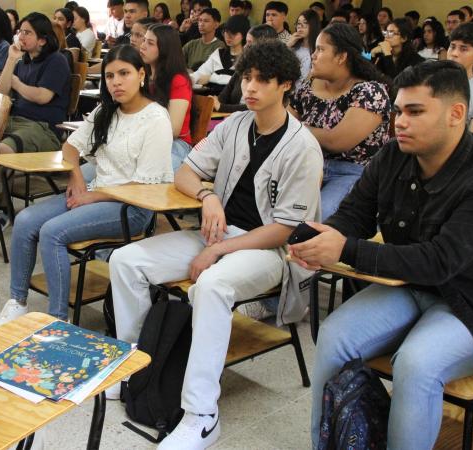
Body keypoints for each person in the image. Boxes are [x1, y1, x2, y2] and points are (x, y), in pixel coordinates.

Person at [109, 40, 322, 450]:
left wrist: (218, 251)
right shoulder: (235, 125)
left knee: (211, 286)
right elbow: (185, 173)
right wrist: (207, 196)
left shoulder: (302, 146)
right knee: (125, 260)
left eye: (263, 80)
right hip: (217, 235)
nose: (250, 88)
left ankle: (201, 414)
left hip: (268, 252)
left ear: (286, 85)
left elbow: (284, 230)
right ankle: (138, 370)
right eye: (247, 77)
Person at [295, 59, 473, 450]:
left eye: (415, 112)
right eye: (398, 111)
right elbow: (355, 214)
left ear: (457, 114)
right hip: (409, 285)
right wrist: (321, 237)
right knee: (335, 336)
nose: (400, 122)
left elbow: (439, 260)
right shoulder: (393, 156)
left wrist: (345, 248)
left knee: (417, 364)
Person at [0, 45, 173, 326]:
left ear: (141, 75)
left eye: (124, 73)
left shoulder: (156, 119)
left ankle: (58, 321)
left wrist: (93, 196)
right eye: (110, 76)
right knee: (26, 220)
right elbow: (70, 147)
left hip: (133, 207)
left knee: (52, 232)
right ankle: (17, 301)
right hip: (97, 190)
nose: (116, 82)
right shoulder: (107, 110)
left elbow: (143, 187)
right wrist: (76, 175)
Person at [290, 23, 391, 221]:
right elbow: (283, 125)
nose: (313, 55)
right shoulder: (308, 88)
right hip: (308, 166)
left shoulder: (370, 92)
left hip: (352, 172)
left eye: (320, 49)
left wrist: (297, 128)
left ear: (341, 57)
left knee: (318, 217)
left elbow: (337, 141)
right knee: (277, 209)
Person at [0, 12, 70, 155]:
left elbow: (43, 96)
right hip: (14, 120)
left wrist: (17, 84)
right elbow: (0, 93)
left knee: (3, 149)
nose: (21, 36)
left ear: (42, 40)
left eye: (27, 33)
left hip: (43, 128)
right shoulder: (22, 61)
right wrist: (11, 59)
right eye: (20, 31)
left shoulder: (56, 60)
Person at [141, 24, 193, 169]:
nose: (143, 46)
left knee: (146, 171)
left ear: (165, 49)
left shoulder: (178, 80)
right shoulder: (142, 75)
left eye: (150, 43)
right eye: (144, 40)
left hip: (175, 145)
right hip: (144, 141)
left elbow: (173, 130)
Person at [213, 24, 279, 114]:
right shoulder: (244, 67)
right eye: (246, 42)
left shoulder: (273, 74)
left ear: (263, 46)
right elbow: (222, 98)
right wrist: (214, 102)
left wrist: (222, 107)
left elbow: (257, 106)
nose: (245, 47)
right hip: (232, 117)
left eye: (250, 43)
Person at [190, 14, 248, 88]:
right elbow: (201, 72)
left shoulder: (248, 56)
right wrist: (190, 79)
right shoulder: (219, 53)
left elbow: (243, 81)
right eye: (226, 32)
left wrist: (211, 78)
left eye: (233, 33)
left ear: (244, 35)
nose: (228, 36)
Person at [288, 9, 321, 84]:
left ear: (313, 25)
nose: (300, 27)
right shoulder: (293, 45)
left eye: (305, 23)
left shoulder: (319, 49)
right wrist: (288, 45)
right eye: (298, 23)